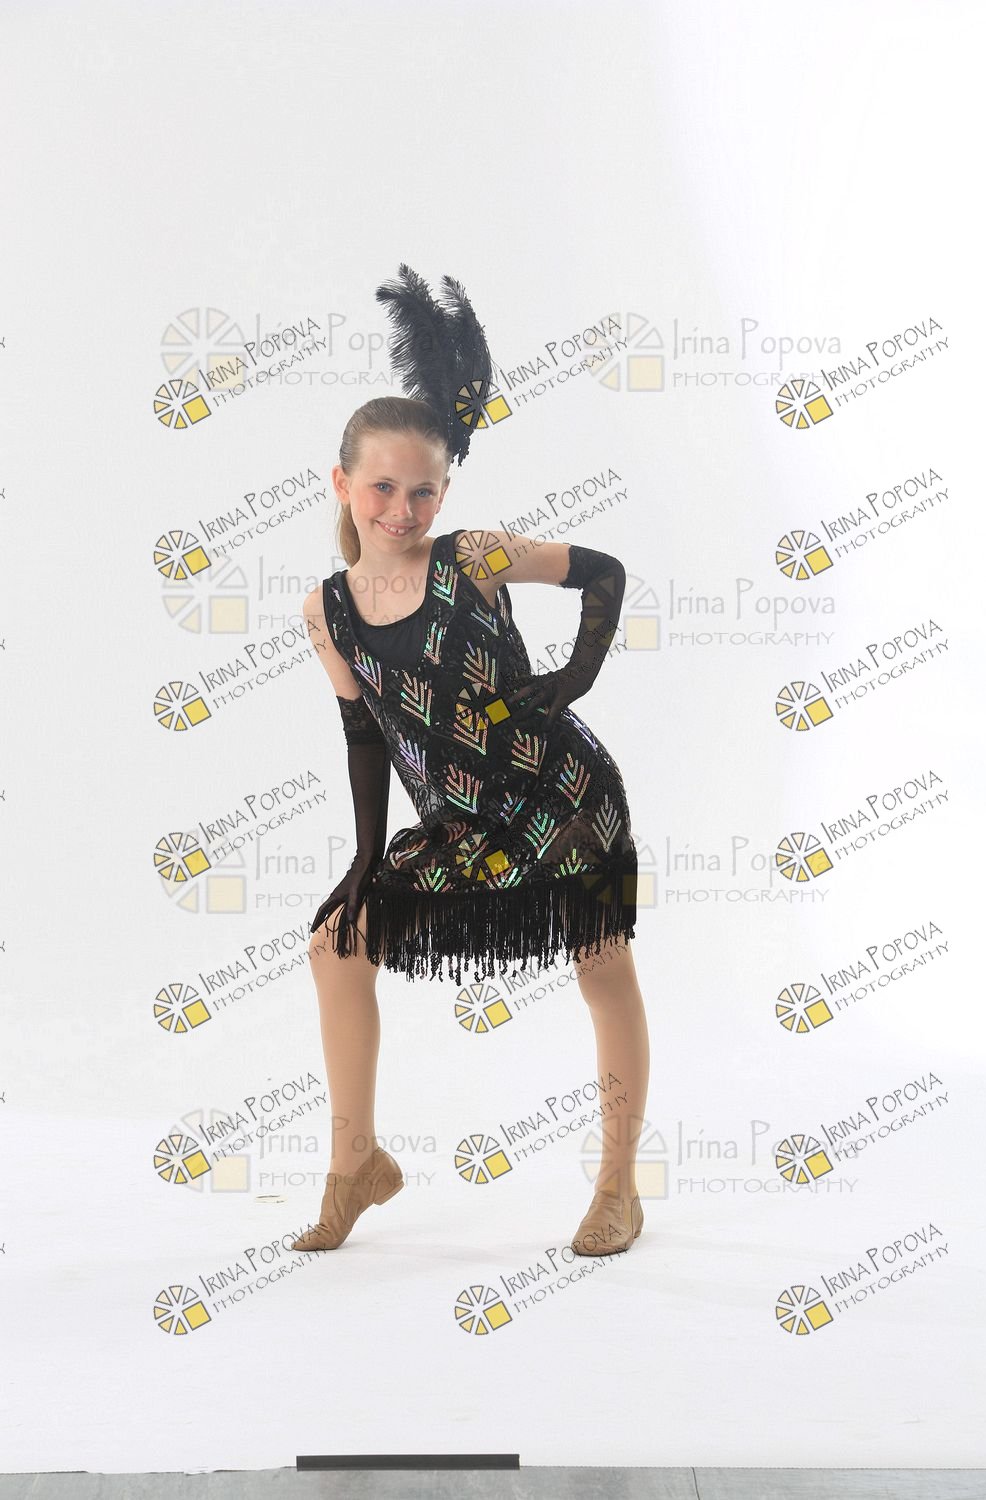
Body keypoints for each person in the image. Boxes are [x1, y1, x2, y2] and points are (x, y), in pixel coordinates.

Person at [293, 264, 649, 1260]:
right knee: (334, 947)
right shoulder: (328, 609)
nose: (402, 509)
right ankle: (356, 1164)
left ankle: (618, 1186)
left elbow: (602, 572)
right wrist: (368, 858)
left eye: (423, 490)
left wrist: (573, 677)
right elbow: (366, 735)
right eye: (382, 488)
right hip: (464, 822)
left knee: (602, 963)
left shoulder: (474, 557)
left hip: (565, 799)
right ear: (343, 484)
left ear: (445, 490)